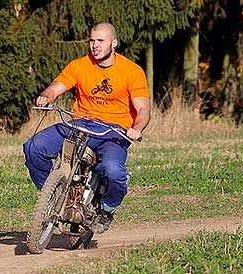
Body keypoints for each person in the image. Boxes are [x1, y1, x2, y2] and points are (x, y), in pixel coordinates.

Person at [23, 22, 151, 234]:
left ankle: (107, 208)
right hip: (79, 122)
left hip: (113, 132)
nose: (95, 45)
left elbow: (143, 109)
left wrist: (136, 128)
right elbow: (56, 87)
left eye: (100, 41)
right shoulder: (79, 66)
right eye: (92, 40)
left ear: (114, 43)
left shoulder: (132, 71)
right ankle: (54, 197)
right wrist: (47, 96)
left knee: (113, 170)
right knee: (33, 147)